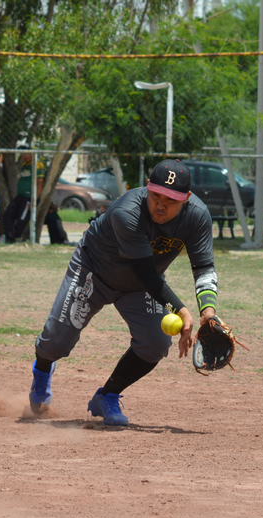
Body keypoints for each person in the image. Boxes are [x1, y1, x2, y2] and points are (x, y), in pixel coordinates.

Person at [29, 159, 219, 426]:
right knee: (55, 342)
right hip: (93, 270)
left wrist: (208, 313)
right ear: (147, 188)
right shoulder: (127, 211)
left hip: (139, 287)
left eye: (171, 200)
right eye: (156, 195)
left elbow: (204, 266)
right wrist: (182, 310)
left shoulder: (197, 216)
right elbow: (147, 274)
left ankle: (107, 396)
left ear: (187, 198)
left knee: (155, 343)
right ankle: (43, 369)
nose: (161, 204)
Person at [3, 146, 45, 244]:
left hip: (29, 197)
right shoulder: (24, 165)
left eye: (27, 154)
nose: (24, 156)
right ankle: (9, 239)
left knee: (22, 219)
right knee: (8, 215)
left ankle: (16, 238)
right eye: (22, 154)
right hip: (20, 196)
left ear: (31, 154)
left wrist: (34, 200)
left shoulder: (37, 165)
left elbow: (40, 182)